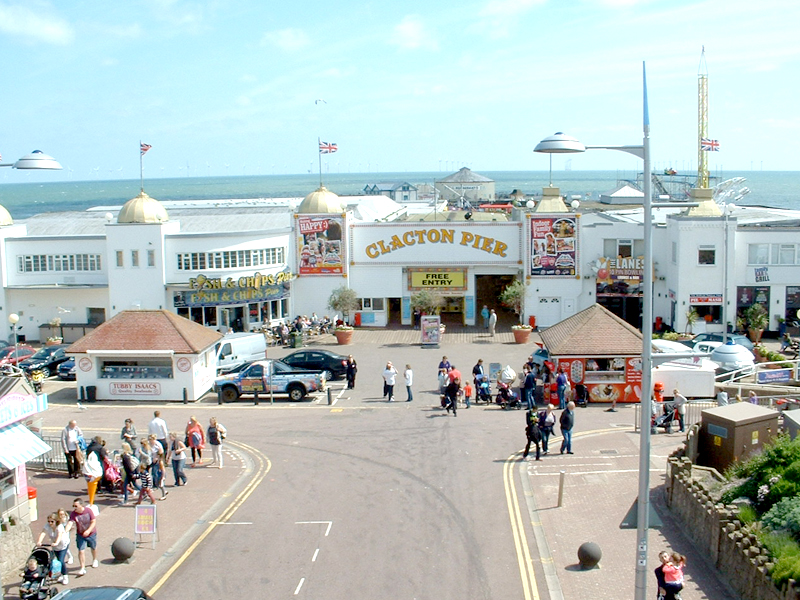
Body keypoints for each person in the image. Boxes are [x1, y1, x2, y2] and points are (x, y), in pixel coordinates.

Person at [37, 512, 69, 584]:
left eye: (52, 521)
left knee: (61, 560)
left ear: (56, 521)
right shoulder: (47, 526)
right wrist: (39, 541)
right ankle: (60, 574)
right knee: (57, 560)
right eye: (49, 521)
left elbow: (59, 535)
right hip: (54, 546)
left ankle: (65, 576)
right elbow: (43, 533)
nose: (50, 523)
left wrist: (57, 542)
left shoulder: (59, 526)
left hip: (62, 545)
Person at [69, 498, 98, 575]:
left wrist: (88, 530)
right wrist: (66, 530)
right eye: (73, 506)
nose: (74, 508)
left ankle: (94, 559)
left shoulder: (88, 511)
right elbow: (70, 522)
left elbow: (93, 521)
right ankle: (82, 567)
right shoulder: (73, 514)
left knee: (93, 547)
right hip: (80, 534)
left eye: (76, 506)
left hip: (91, 533)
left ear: (81, 505)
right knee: (81, 550)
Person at [83, 436, 106, 505]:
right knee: (98, 476)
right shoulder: (100, 447)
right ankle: (99, 489)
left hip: (90, 464)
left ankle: (95, 490)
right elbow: (103, 456)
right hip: (98, 463)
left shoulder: (89, 447)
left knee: (92, 478)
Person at [147, 434, 169, 500]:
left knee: (160, 482)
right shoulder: (149, 444)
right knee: (155, 476)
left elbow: (163, 469)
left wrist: (163, 476)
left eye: (152, 440)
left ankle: (163, 494)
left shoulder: (158, 445)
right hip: (152, 460)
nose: (151, 441)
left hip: (160, 470)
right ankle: (164, 491)